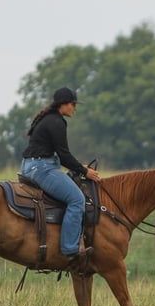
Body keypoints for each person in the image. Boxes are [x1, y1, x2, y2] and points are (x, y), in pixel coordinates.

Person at [21, 87, 101, 260]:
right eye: (73, 104)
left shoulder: (50, 119)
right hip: (41, 169)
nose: (75, 108)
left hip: (33, 166)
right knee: (77, 199)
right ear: (63, 105)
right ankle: (70, 248)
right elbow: (64, 155)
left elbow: (60, 154)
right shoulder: (57, 122)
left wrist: (79, 166)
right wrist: (85, 171)